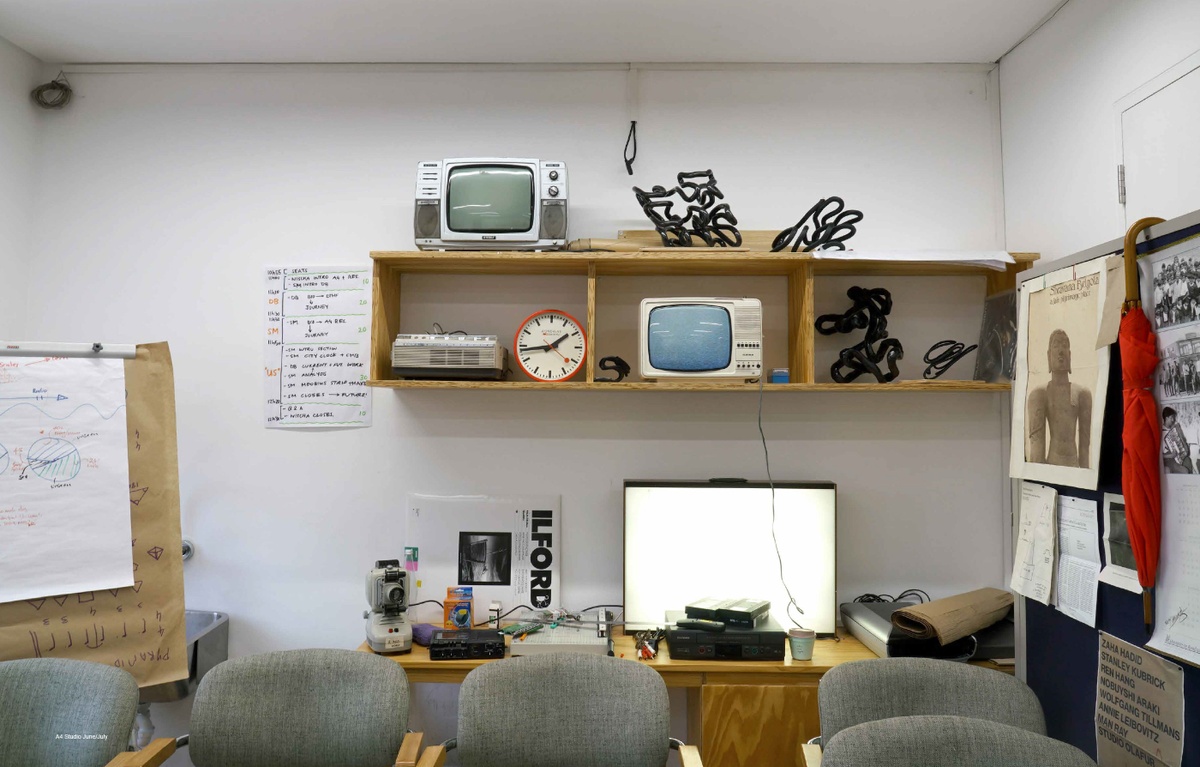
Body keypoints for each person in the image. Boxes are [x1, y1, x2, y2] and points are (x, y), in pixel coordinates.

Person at [1026, 329, 1092, 468]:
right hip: (1052, 464)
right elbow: (1037, 454)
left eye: (1064, 345)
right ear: (1049, 355)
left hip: (1075, 466)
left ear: (1070, 355)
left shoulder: (1082, 394)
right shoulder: (1040, 394)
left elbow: (1085, 449)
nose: (1061, 351)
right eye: (1056, 345)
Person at [1162, 406, 1193, 474]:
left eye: (1174, 417)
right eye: (1171, 417)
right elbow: (1158, 455)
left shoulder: (1173, 428)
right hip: (1169, 459)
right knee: (1185, 471)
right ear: (1166, 418)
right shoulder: (1161, 433)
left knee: (1188, 461)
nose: (1173, 420)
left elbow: (1182, 440)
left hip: (1179, 455)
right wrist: (1170, 455)